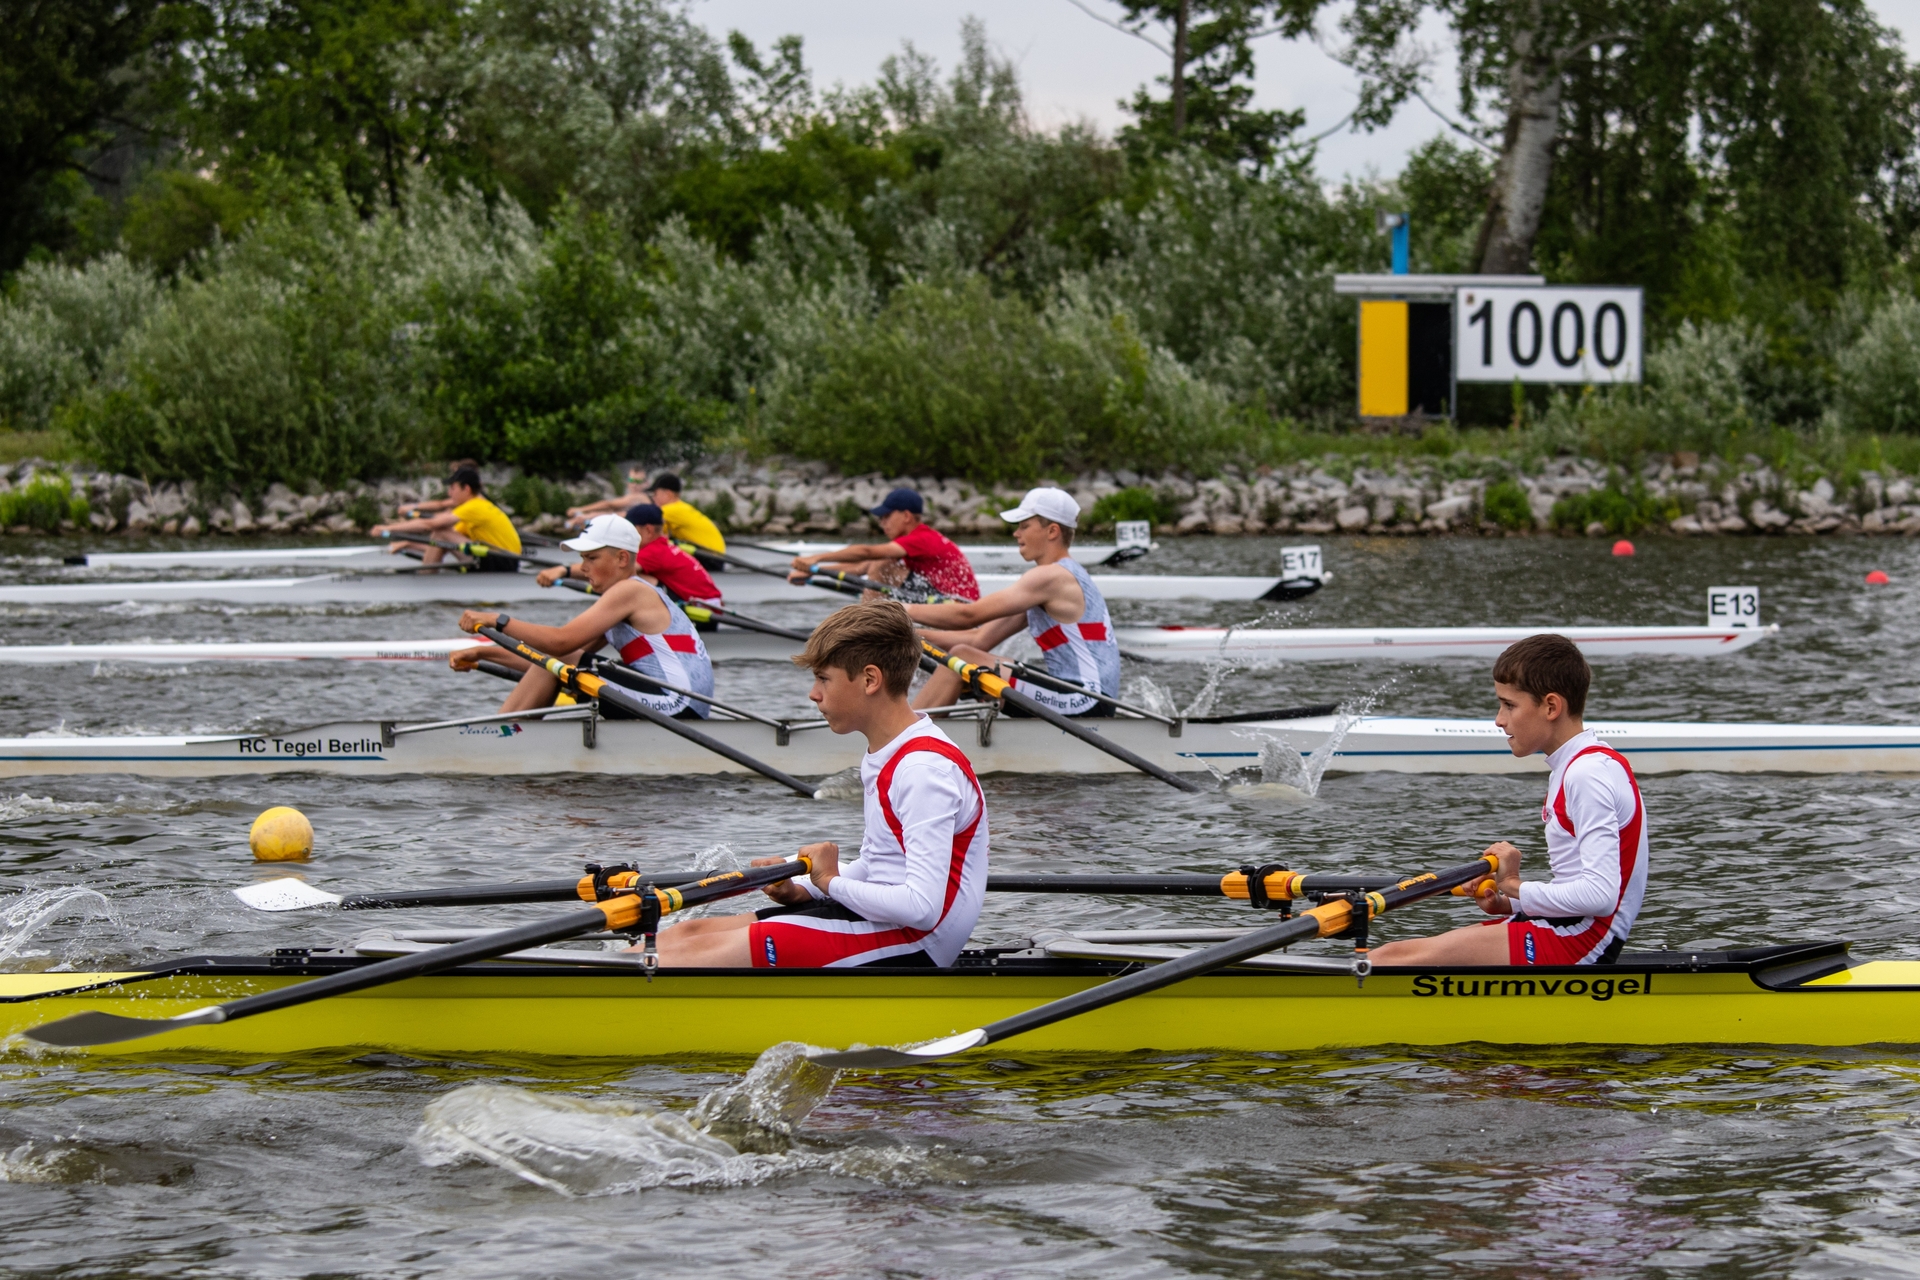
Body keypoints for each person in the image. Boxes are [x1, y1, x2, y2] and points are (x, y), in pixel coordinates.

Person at [652, 600, 988, 968]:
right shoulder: (890, 751)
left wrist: (827, 880)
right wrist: (799, 886)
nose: (814, 693)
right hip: (884, 920)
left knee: (692, 955)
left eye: (823, 678)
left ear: (870, 680)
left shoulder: (923, 769)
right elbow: (879, 866)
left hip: (918, 941)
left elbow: (922, 908)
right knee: (684, 936)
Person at [1370, 633, 1649, 968]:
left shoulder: (1586, 774)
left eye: (1509, 705)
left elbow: (1599, 897)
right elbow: (1580, 890)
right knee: (1390, 954)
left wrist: (1514, 885)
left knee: (1388, 960)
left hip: (1582, 943)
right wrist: (1509, 903)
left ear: (1551, 706)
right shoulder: (1581, 765)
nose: (1499, 720)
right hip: (1568, 929)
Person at [450, 515, 712, 719]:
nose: (583, 568)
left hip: (676, 704)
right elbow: (546, 659)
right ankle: (508, 733)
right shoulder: (624, 598)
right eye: (582, 558)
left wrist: (498, 620)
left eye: (591, 558)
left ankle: (502, 738)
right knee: (556, 663)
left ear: (622, 558)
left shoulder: (630, 590)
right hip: (677, 702)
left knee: (558, 660)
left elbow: (559, 644)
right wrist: (483, 654)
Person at [900, 487, 1118, 716]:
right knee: (963, 655)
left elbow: (968, 616)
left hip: (1085, 699)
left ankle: (905, 740)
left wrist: (899, 610)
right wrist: (908, 636)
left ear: (1052, 531)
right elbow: (978, 638)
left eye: (1024, 526)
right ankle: (921, 734)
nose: (1016, 534)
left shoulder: (1051, 577)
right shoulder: (1052, 583)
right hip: (1084, 697)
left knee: (963, 658)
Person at [786, 487, 980, 601]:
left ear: (906, 516)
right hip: (941, 598)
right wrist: (813, 571)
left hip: (958, 605)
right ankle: (870, 623)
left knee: (881, 564)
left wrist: (817, 558)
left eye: (886, 516)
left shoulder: (921, 538)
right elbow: (862, 566)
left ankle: (866, 627)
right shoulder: (914, 539)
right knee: (879, 564)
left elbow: (867, 552)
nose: (882, 523)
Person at [534, 503, 722, 608]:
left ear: (648, 530)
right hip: (706, 602)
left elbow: (614, 568)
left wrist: (562, 571)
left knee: (629, 576)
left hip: (703, 611)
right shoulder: (662, 546)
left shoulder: (654, 551)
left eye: (631, 529)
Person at [372, 466, 522, 564]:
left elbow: (430, 525)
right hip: (503, 559)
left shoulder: (475, 506)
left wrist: (388, 529)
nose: (449, 493)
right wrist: (408, 544)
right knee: (442, 533)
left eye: (453, 488)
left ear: (467, 489)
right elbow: (442, 546)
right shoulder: (475, 508)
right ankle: (429, 578)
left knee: (440, 530)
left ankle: (426, 582)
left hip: (504, 562)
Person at [643, 473, 728, 569]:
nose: (653, 498)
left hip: (709, 559)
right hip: (715, 556)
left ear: (668, 494)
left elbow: (640, 519)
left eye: (655, 494)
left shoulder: (670, 510)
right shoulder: (680, 507)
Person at [564, 467, 652, 528]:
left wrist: (579, 510)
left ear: (646, 483)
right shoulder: (637, 498)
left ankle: (581, 520)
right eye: (631, 480)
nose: (634, 485)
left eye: (638, 481)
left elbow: (608, 504)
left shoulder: (640, 497)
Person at [394, 460, 481, 519]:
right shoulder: (472, 495)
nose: (449, 493)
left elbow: (440, 506)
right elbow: (441, 507)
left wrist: (412, 509)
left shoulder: (476, 500)